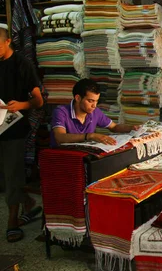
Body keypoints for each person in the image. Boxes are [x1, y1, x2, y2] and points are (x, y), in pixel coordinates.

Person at [0, 24, 44, 242]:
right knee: (4, 175)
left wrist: (21, 105)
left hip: (14, 127)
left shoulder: (22, 64)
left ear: (8, 42)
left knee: (13, 172)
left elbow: (39, 100)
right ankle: (26, 201)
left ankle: (12, 219)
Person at [51, 79, 138, 147]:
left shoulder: (95, 112)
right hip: (62, 158)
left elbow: (114, 127)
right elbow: (59, 137)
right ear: (78, 98)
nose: (94, 105)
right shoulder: (61, 112)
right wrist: (90, 136)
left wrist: (132, 128)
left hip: (83, 156)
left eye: (96, 101)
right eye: (90, 101)